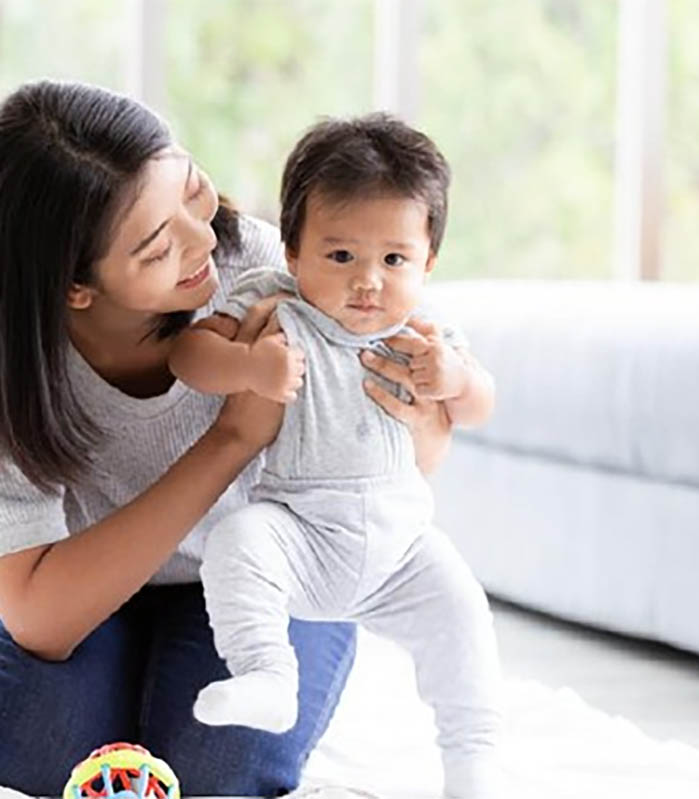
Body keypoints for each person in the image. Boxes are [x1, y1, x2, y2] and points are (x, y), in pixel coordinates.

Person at [0, 80, 456, 797]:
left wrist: (429, 405)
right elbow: (42, 618)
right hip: (63, 575)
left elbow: (412, 455)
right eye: (160, 246)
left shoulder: (267, 272)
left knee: (217, 772)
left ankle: (141, 679)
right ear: (75, 287)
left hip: (261, 569)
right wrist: (229, 438)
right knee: (28, 754)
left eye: (194, 191)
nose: (206, 241)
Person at [168, 114, 503, 799]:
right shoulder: (275, 302)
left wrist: (455, 381)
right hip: (300, 533)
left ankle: (472, 762)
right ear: (292, 251)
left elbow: (480, 404)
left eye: (395, 259)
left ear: (428, 260)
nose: (369, 283)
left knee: (463, 616)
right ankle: (267, 673)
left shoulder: (425, 331)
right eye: (341, 256)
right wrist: (247, 366)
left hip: (401, 545)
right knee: (237, 542)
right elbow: (187, 354)